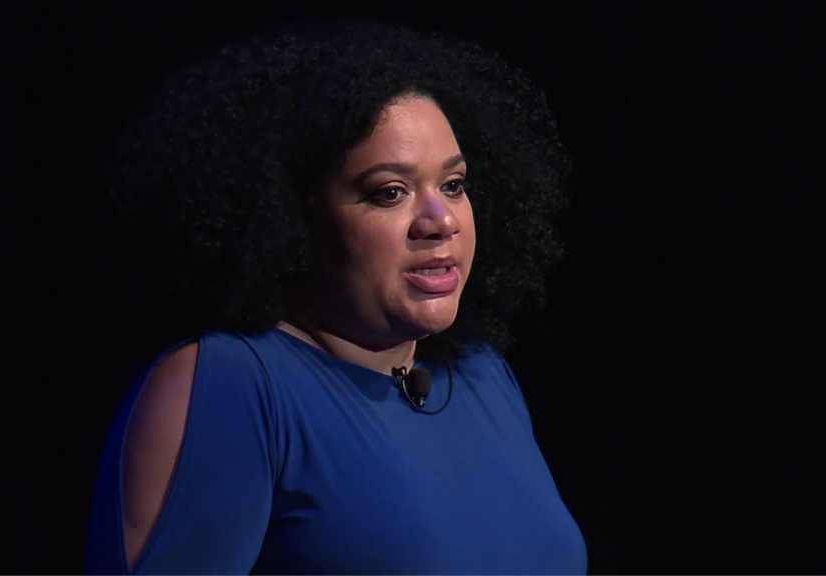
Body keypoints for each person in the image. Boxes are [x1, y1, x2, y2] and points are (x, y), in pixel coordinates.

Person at [85, 19, 586, 574]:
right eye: (389, 192)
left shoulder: (483, 375)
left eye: (453, 185)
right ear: (292, 219)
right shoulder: (235, 383)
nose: (440, 220)